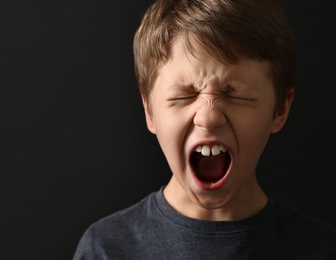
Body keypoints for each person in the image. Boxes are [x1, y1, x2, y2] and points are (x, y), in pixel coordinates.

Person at [73, 0, 336, 259]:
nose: (209, 117)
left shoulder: (322, 250)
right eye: (184, 95)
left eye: (236, 94)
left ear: (280, 109)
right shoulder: (105, 250)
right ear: (149, 110)